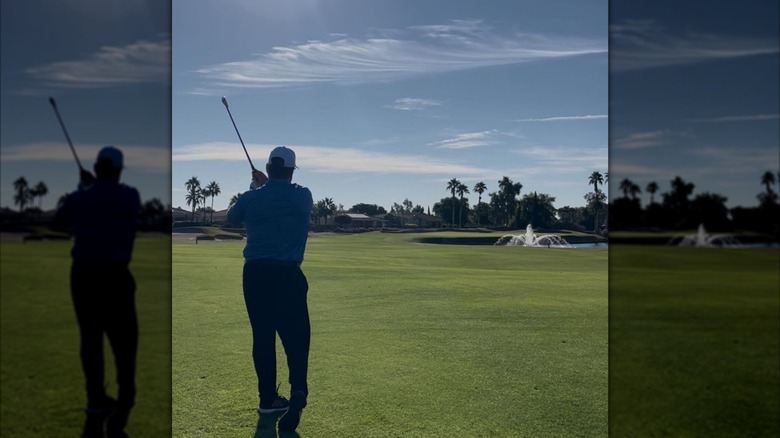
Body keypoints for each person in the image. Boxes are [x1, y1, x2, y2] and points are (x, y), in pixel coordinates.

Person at [55, 146, 141, 438]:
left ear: (97, 167)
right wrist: (91, 187)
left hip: (83, 276)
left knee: (90, 339)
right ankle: (125, 400)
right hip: (116, 276)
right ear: (117, 170)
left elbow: (59, 219)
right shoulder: (130, 196)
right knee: (124, 342)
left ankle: (95, 400)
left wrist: (84, 188)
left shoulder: (80, 198)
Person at [227, 146, 313, 432]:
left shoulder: (251, 198)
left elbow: (232, 217)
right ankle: (298, 387)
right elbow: (283, 195)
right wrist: (265, 185)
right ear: (291, 170)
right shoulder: (303, 196)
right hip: (288, 274)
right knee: (297, 336)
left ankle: (267, 399)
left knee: (263, 336)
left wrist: (255, 186)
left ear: (268, 167)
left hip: (255, 274)